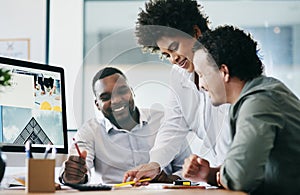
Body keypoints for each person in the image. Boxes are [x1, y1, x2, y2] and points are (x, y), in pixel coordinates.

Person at [183, 25, 300, 195]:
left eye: (201, 75)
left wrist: (220, 175)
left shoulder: (259, 102)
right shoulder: (261, 94)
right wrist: (208, 174)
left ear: (224, 72)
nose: (200, 85)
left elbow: (240, 178)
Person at [123, 0, 231, 183]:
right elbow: (173, 125)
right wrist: (155, 164)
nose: (173, 59)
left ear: (196, 32)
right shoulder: (180, 75)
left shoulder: (229, 67)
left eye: (174, 48)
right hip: (223, 177)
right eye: (166, 55)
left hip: (246, 175)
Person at [59, 67, 191, 184]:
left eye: (121, 91)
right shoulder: (90, 131)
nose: (116, 100)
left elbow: (187, 170)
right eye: (105, 97)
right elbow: (80, 170)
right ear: (97, 105)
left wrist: (170, 179)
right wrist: (72, 176)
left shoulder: (165, 121)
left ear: (132, 92)